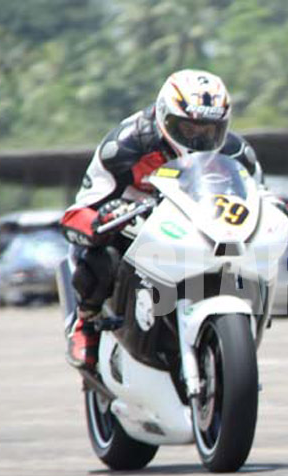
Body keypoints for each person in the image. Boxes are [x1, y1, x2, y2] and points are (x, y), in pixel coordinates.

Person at [60, 69, 265, 370]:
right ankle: (86, 323)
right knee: (100, 255)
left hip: (201, 225)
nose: (198, 138)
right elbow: (79, 211)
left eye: (209, 130)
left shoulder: (238, 153)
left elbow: (259, 197)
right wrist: (101, 219)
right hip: (136, 222)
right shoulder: (123, 147)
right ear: (165, 117)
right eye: (188, 128)